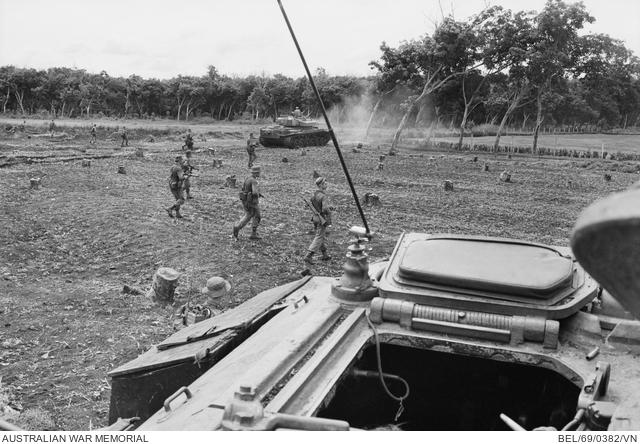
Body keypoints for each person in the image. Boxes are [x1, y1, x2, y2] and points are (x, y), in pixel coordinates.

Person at [304, 176, 332, 264]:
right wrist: (329, 210)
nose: (326, 184)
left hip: (315, 218)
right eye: (325, 183)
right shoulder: (323, 196)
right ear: (321, 185)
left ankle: (325, 254)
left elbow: (311, 205)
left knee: (321, 235)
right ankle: (308, 255)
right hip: (322, 219)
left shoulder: (314, 195)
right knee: (319, 236)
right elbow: (324, 209)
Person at [233, 166, 262, 240]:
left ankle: (238, 227)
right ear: (256, 173)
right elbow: (255, 192)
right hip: (252, 202)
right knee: (257, 216)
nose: (259, 173)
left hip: (245, 201)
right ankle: (252, 233)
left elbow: (245, 189)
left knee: (249, 215)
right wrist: (258, 194)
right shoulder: (254, 181)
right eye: (259, 172)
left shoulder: (248, 179)